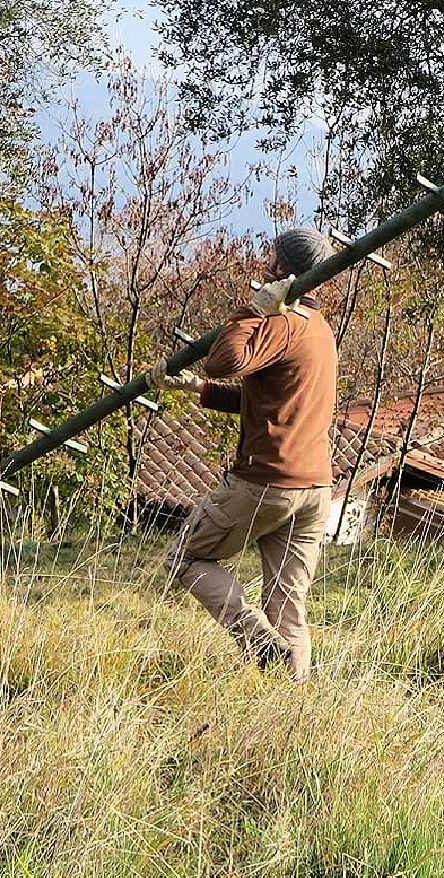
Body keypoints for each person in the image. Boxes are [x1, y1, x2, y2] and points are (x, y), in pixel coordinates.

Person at [146, 228, 338, 679]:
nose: (265, 267)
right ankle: (295, 700)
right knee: (287, 604)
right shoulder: (320, 330)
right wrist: (197, 389)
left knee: (185, 559)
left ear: (280, 269)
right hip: (315, 488)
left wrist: (254, 310)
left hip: (266, 482)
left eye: (271, 260)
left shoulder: (283, 324)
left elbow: (224, 361)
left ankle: (259, 641)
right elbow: (269, 402)